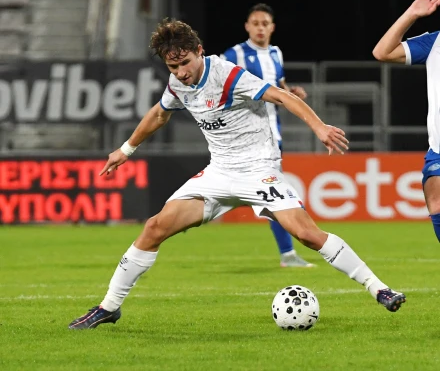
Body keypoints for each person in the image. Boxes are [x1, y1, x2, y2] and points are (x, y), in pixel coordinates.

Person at [69, 18, 405, 330]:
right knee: (155, 227)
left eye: (185, 63)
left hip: (258, 170)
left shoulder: (227, 75)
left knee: (307, 235)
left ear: (199, 51)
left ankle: (379, 288)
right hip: (219, 172)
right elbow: (159, 114)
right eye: (173, 67)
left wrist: (319, 127)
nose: (181, 73)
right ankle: (109, 307)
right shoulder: (177, 84)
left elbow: (281, 96)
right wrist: (126, 150)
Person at [221, 3, 314, 268]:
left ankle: (289, 252)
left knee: (273, 192)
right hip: (247, 135)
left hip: (273, 133)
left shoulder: (276, 53)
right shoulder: (235, 54)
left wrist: (291, 93)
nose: (260, 28)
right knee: (276, 193)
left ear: (272, 27)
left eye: (264, 23)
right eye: (255, 23)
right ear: (247, 26)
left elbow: (278, 86)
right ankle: (291, 252)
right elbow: (218, 85)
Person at [373, 0, 440, 241]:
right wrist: (412, 14)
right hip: (439, 149)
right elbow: (382, 52)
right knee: (436, 204)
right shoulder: (435, 43)